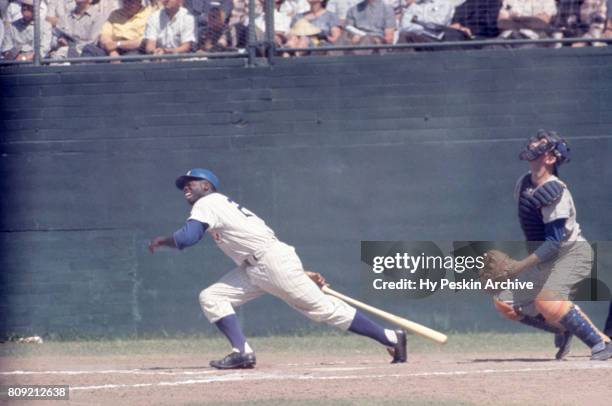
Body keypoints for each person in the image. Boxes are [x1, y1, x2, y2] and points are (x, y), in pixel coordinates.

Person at [149, 168, 408, 369]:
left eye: (190, 183)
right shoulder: (223, 207)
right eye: (183, 185)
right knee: (213, 297)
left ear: (206, 186)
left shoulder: (208, 203)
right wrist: (297, 272)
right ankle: (242, 353)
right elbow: (260, 238)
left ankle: (391, 338)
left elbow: (188, 238)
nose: (185, 188)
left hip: (268, 263)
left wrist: (164, 241)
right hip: (259, 266)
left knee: (323, 310)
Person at [489, 130, 612, 361]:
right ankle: (563, 329)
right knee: (504, 302)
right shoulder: (524, 183)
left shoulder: (555, 191)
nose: (534, 144)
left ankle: (601, 343)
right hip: (545, 257)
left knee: (547, 300)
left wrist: (519, 265)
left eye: (542, 144)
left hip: (571, 253)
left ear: (551, 158)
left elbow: (555, 242)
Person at [82, 0, 154, 58]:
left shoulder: (150, 14)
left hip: (135, 50)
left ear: (140, 1)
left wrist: (118, 44)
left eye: (131, 1)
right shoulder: (115, 14)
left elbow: (145, 41)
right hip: (112, 49)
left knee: (132, 58)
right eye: (125, 1)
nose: (128, 4)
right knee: (89, 49)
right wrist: (112, 51)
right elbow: (104, 35)